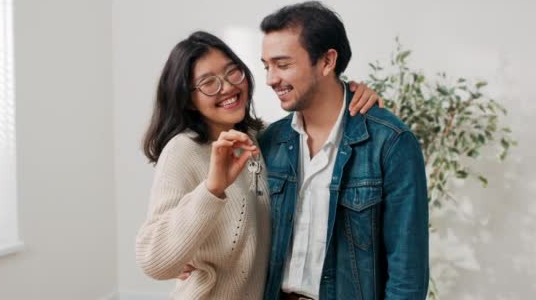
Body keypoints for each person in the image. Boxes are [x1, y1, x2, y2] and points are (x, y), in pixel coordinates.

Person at [135, 31, 381, 299]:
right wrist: (212, 189)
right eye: (208, 83)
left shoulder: (264, 140)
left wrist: (353, 95)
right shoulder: (184, 149)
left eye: (233, 72)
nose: (227, 87)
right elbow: (153, 260)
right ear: (187, 99)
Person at [258, 1, 429, 300]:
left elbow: (407, 274)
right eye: (267, 66)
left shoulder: (389, 142)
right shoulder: (270, 141)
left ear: (326, 61)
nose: (271, 79)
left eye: (283, 65)